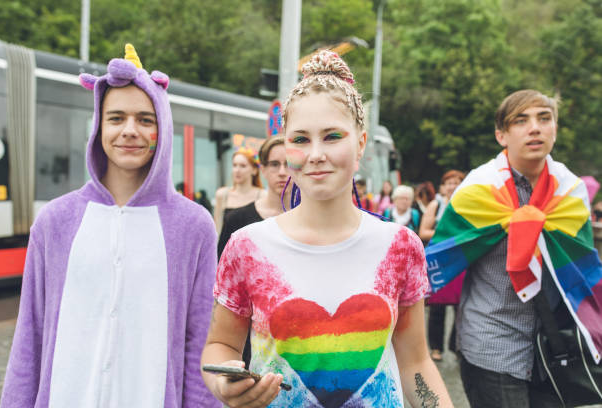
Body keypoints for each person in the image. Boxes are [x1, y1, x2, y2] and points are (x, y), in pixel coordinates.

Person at [201, 50, 453, 408]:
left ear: (361, 143)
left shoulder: (399, 246)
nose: (316, 153)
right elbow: (221, 345)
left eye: (332, 136)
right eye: (301, 139)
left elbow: (415, 362)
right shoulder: (247, 246)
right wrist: (223, 383)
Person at [0, 45, 219, 407]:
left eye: (145, 120)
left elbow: (200, 343)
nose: (129, 130)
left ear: (162, 129)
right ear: (98, 127)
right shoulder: (55, 220)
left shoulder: (194, 226)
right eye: (116, 118)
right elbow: (30, 336)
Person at [425, 89, 602, 407]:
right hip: (492, 344)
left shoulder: (571, 192)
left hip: (554, 348)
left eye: (544, 118)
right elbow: (438, 259)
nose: (534, 128)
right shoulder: (478, 189)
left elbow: (585, 271)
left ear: (555, 128)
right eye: (521, 121)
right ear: (501, 135)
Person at [418, 170, 465, 362]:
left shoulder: (467, 204)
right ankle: (436, 347)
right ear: (442, 187)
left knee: (462, 305)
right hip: (439, 259)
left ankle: (456, 345)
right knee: (437, 306)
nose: (452, 186)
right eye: (449, 183)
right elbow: (423, 231)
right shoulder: (435, 205)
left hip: (461, 258)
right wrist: (448, 234)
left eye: (456, 182)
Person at [217, 135, 288, 258]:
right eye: (274, 164)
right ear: (263, 169)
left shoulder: (312, 219)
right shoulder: (234, 219)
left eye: (288, 164)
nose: (282, 172)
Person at [213, 147, 265, 233]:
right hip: (225, 245)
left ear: (254, 170)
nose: (237, 170)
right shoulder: (222, 194)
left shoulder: (262, 195)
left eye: (243, 166)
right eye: (234, 165)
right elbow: (217, 229)